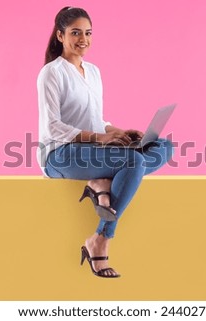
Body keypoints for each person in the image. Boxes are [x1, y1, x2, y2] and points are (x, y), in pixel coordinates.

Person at [36, 6, 173, 278]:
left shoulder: (94, 72)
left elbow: (95, 119)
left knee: (164, 146)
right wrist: (101, 138)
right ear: (60, 35)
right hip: (60, 155)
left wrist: (119, 132)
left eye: (88, 33)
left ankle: (102, 183)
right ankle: (101, 238)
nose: (83, 39)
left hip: (91, 149)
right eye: (75, 33)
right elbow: (52, 126)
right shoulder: (52, 73)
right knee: (133, 161)